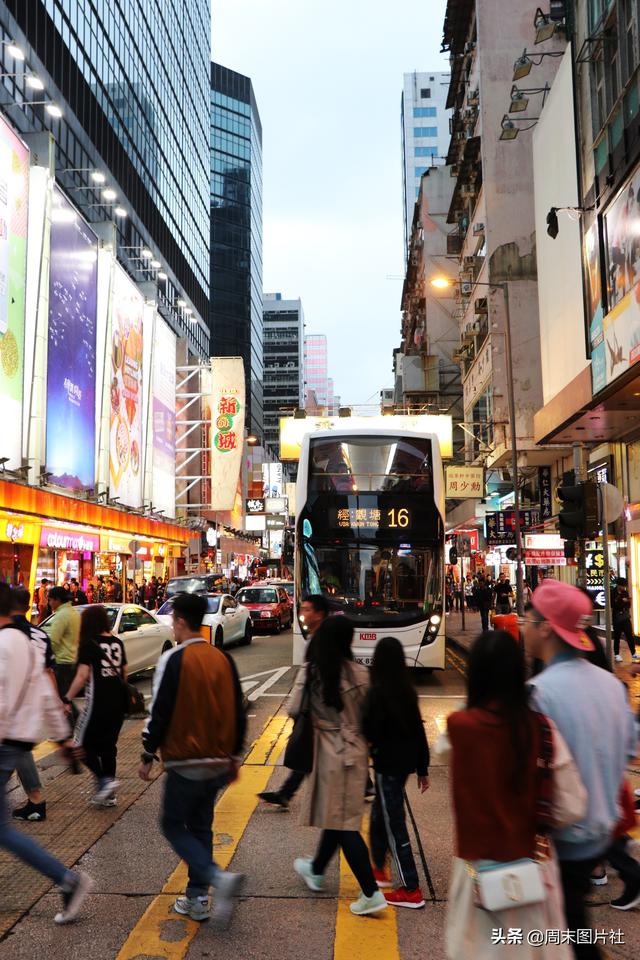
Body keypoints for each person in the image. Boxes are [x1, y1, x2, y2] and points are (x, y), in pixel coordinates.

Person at [444, 629, 578, 959]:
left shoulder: (458, 729)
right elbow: (572, 806)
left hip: (477, 874)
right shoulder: (543, 728)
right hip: (532, 870)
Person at [523, 580, 637, 960]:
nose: (523, 627)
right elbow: (631, 747)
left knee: (564, 937)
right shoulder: (611, 685)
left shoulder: (540, 693)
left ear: (545, 628)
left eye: (528, 619)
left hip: (561, 841)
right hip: (601, 834)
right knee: (571, 928)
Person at [139, 592, 246, 927]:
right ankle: (197, 899)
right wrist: (236, 753)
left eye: (173, 620)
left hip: (185, 758)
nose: (172, 625)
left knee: (172, 824)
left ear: (181, 621)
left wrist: (147, 751)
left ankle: (216, 878)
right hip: (218, 760)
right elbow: (238, 709)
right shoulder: (222, 658)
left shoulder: (174, 660)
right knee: (201, 827)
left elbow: (160, 711)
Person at [0, 582, 93, 923]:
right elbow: (45, 691)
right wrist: (62, 739)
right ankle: (66, 880)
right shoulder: (27, 643)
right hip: (17, 744)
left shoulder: (3, 645)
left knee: (3, 830)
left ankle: (67, 879)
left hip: (3, 744)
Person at [290, 616, 387, 916]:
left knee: (343, 824)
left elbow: (295, 709)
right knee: (338, 815)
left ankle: (370, 892)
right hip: (356, 752)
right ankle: (317, 869)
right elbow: (373, 716)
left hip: (331, 752)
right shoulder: (362, 672)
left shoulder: (314, 672)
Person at [361, 636, 430, 908]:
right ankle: (379, 868)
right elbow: (418, 732)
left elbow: (369, 731)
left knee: (394, 824)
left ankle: (411, 888)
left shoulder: (377, 693)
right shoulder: (406, 690)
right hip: (402, 767)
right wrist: (423, 769)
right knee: (380, 815)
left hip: (386, 766)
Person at [258, 594, 331, 809]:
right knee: (309, 755)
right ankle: (285, 793)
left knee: (311, 753)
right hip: (314, 710)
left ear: (319, 614)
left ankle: (362, 785)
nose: (303, 613)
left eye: (308, 609)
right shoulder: (316, 638)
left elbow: (313, 679)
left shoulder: (322, 640)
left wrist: (301, 708)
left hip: (316, 711)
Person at [64, 605, 127, 806]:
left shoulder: (89, 645)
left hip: (97, 703)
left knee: (78, 744)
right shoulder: (117, 643)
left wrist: (67, 698)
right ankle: (109, 796)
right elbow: (124, 674)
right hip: (118, 704)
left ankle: (104, 781)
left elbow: (82, 676)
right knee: (108, 748)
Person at [10, 588, 58, 822]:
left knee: (17, 750)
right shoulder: (40, 635)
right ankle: (35, 800)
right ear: (29, 607)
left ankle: (37, 800)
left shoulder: (8, 633)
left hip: (13, 704)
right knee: (16, 751)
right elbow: (49, 673)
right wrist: (58, 705)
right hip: (33, 701)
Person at [43, 585, 80, 703]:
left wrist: (45, 659)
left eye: (50, 600)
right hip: (72, 660)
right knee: (66, 698)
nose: (49, 603)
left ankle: (73, 720)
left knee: (62, 700)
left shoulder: (61, 616)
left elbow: (53, 641)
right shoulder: (73, 612)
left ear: (57, 600)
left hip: (62, 663)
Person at [611, 577, 639, 663]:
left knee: (629, 636)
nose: (624, 588)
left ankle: (633, 653)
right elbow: (613, 605)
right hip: (617, 618)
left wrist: (626, 602)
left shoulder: (625, 593)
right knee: (617, 636)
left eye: (624, 586)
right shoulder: (613, 593)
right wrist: (622, 601)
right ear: (618, 585)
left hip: (625, 617)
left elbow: (628, 605)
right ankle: (616, 654)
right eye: (623, 586)